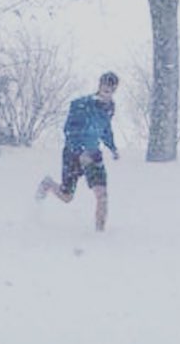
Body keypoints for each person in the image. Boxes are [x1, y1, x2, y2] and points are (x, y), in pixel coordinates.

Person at [36, 71, 120, 232]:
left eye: (112, 87)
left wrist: (112, 147)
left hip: (93, 154)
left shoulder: (109, 108)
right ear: (99, 85)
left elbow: (105, 129)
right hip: (73, 154)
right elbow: (69, 130)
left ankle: (100, 234)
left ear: (115, 89)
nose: (108, 90)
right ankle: (48, 184)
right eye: (105, 85)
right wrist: (80, 151)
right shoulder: (81, 104)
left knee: (102, 195)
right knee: (67, 196)